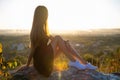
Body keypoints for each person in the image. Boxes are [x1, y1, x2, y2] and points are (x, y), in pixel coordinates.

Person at [22, 5, 97, 77]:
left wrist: (65, 44)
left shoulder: (43, 30)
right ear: (42, 16)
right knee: (58, 38)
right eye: (45, 15)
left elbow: (55, 40)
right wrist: (27, 65)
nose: (46, 17)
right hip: (42, 63)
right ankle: (75, 62)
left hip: (45, 60)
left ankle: (84, 63)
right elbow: (32, 49)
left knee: (63, 43)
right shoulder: (35, 32)